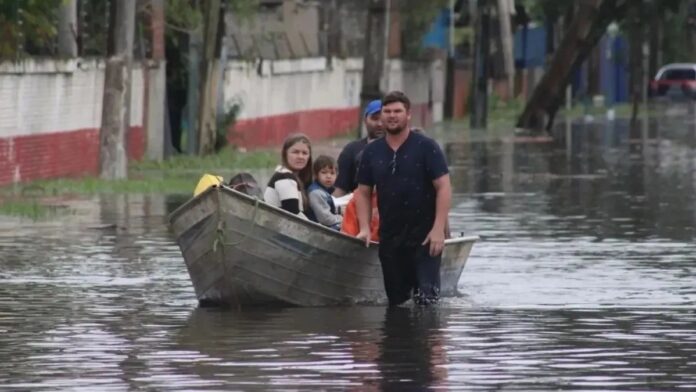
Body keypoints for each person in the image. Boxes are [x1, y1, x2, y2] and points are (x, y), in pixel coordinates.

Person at [355, 91, 452, 306]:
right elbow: (362, 192)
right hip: (390, 237)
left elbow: (444, 187)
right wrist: (364, 228)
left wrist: (438, 230)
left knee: (427, 303)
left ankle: (428, 338)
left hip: (425, 237)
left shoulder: (427, 147)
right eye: (387, 112)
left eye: (397, 111)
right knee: (397, 304)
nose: (391, 116)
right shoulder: (372, 152)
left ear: (408, 115)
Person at [333, 99, 385, 197]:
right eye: (375, 118)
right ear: (365, 120)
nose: (379, 124)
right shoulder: (351, 150)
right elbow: (340, 189)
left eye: (383, 119)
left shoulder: (399, 150)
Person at [263, 133, 313, 218]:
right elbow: (293, 214)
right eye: (295, 152)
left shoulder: (294, 177)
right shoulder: (284, 177)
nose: (300, 156)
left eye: (304, 153)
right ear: (285, 154)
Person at [307, 155, 342, 230]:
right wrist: (342, 219)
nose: (328, 176)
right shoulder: (316, 193)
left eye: (332, 173)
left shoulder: (324, 190)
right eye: (324, 172)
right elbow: (325, 219)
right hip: (317, 229)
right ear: (316, 175)